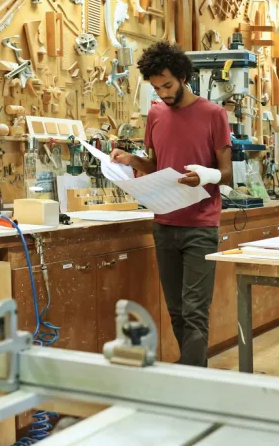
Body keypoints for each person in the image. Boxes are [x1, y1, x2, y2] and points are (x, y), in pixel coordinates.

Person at [110, 41, 233, 367]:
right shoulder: (155, 113)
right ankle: (193, 374)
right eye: (156, 87)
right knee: (176, 309)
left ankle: (190, 378)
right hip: (164, 224)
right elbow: (155, 164)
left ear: (182, 77)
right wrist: (130, 159)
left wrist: (205, 177)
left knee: (194, 310)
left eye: (168, 85)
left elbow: (228, 174)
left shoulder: (213, 114)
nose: (163, 93)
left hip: (200, 226)